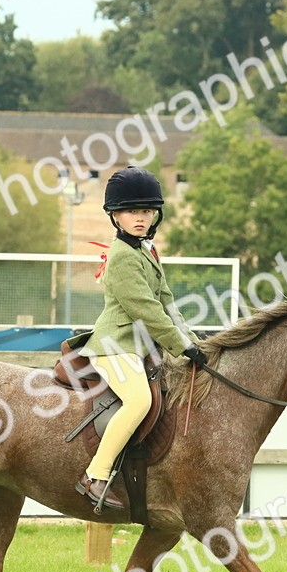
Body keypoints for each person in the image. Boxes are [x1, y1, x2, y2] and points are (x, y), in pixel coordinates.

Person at [75, 166, 205, 510]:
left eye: (147, 212)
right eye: (133, 211)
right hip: (115, 347)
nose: (141, 218)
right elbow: (147, 310)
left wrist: (195, 343)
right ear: (115, 215)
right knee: (139, 401)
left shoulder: (146, 252)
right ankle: (96, 475)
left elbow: (167, 303)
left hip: (142, 346)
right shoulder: (121, 258)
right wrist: (181, 347)